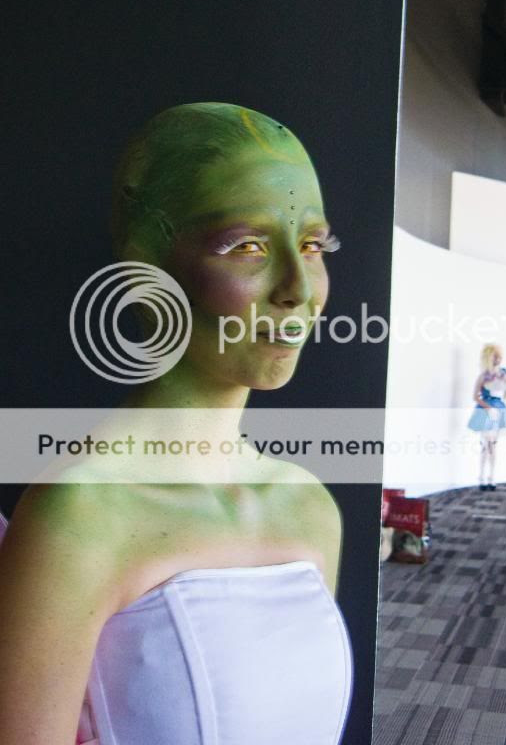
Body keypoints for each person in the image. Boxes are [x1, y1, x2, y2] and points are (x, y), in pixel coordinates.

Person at [0, 103, 352, 745]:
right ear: (145, 271)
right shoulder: (81, 514)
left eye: (311, 246)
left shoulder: (310, 506)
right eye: (247, 247)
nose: (299, 289)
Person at [468, 343, 506, 491]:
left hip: (499, 410)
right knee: (487, 445)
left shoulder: (503, 374)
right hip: (487, 411)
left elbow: (505, 393)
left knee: (492, 446)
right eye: (495, 356)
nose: (498, 359)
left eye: (499, 356)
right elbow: (475, 397)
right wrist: (488, 408)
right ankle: (483, 477)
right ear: (489, 357)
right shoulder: (483, 376)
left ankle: (490, 477)